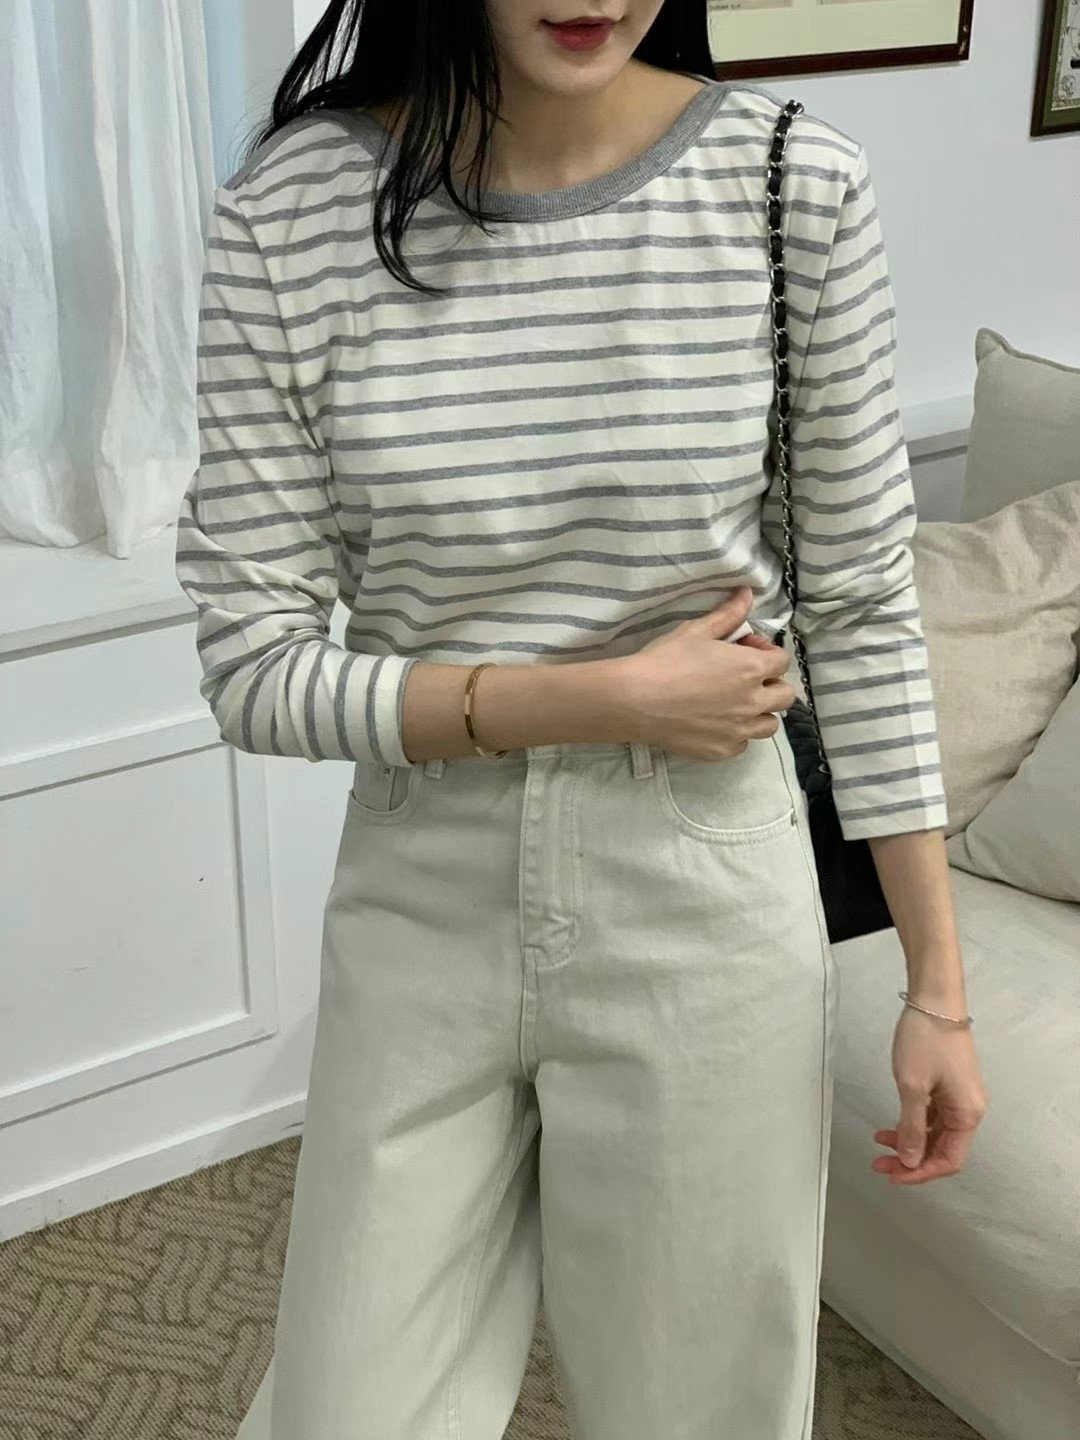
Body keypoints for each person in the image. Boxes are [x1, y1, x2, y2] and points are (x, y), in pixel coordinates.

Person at [175, 2, 988, 1436]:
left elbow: (864, 608)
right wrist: (602, 696)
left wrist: (938, 988)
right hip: (423, 885)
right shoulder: (292, 212)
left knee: (702, 1409)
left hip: (704, 887)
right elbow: (254, 663)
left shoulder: (790, 185)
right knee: (348, 1406)